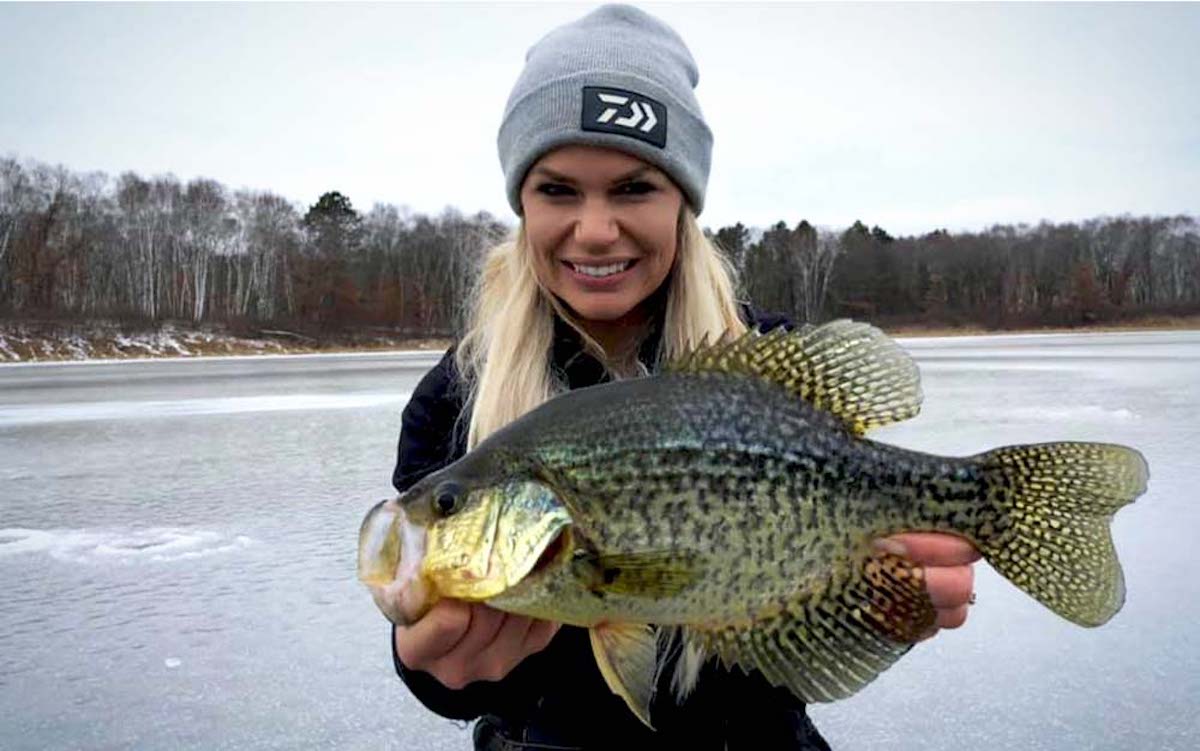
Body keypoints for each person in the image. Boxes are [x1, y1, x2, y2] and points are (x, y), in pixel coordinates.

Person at [385, 5, 980, 749]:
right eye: (558, 189)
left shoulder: (768, 360)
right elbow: (446, 681)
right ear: (521, 203)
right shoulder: (454, 400)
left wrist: (874, 613)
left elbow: (797, 660)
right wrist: (434, 665)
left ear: (684, 202)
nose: (596, 228)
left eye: (634, 188)